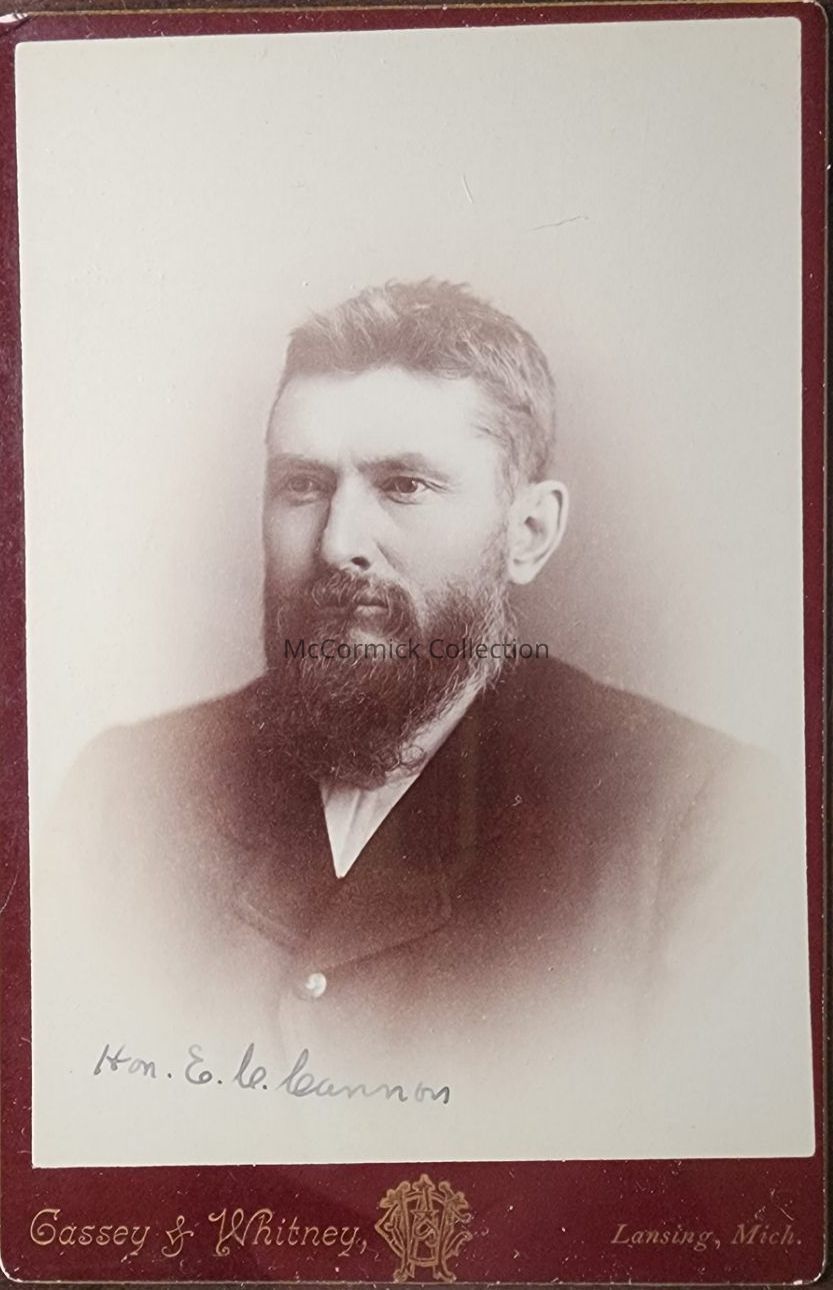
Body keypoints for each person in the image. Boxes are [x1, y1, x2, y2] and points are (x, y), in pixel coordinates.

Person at [42, 280, 808, 1158]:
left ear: (528, 533)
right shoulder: (124, 793)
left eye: (402, 486)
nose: (337, 543)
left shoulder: (698, 818)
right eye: (301, 486)